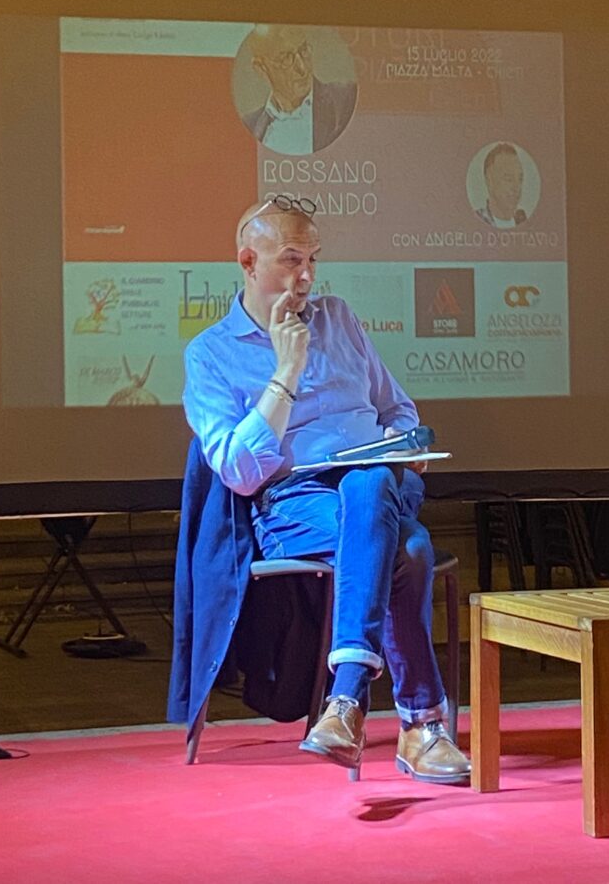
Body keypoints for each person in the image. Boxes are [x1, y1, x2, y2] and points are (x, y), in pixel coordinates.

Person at [182, 195, 470, 782]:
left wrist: (401, 442)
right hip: (294, 503)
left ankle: (347, 704)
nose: (307, 276)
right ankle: (420, 726)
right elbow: (239, 473)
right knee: (411, 550)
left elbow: (397, 408)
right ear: (248, 262)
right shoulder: (210, 354)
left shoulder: (338, 318)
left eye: (313, 258)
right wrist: (285, 372)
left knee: (371, 478)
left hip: (386, 485)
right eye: (292, 259)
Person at [241, 26, 357, 155]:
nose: (302, 69)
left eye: (303, 50)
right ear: (261, 68)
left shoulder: (346, 99)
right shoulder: (250, 124)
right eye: (285, 58)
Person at [475, 142, 529, 228]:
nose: (517, 187)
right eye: (508, 179)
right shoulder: (474, 221)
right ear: (489, 181)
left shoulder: (524, 221)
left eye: (520, 179)